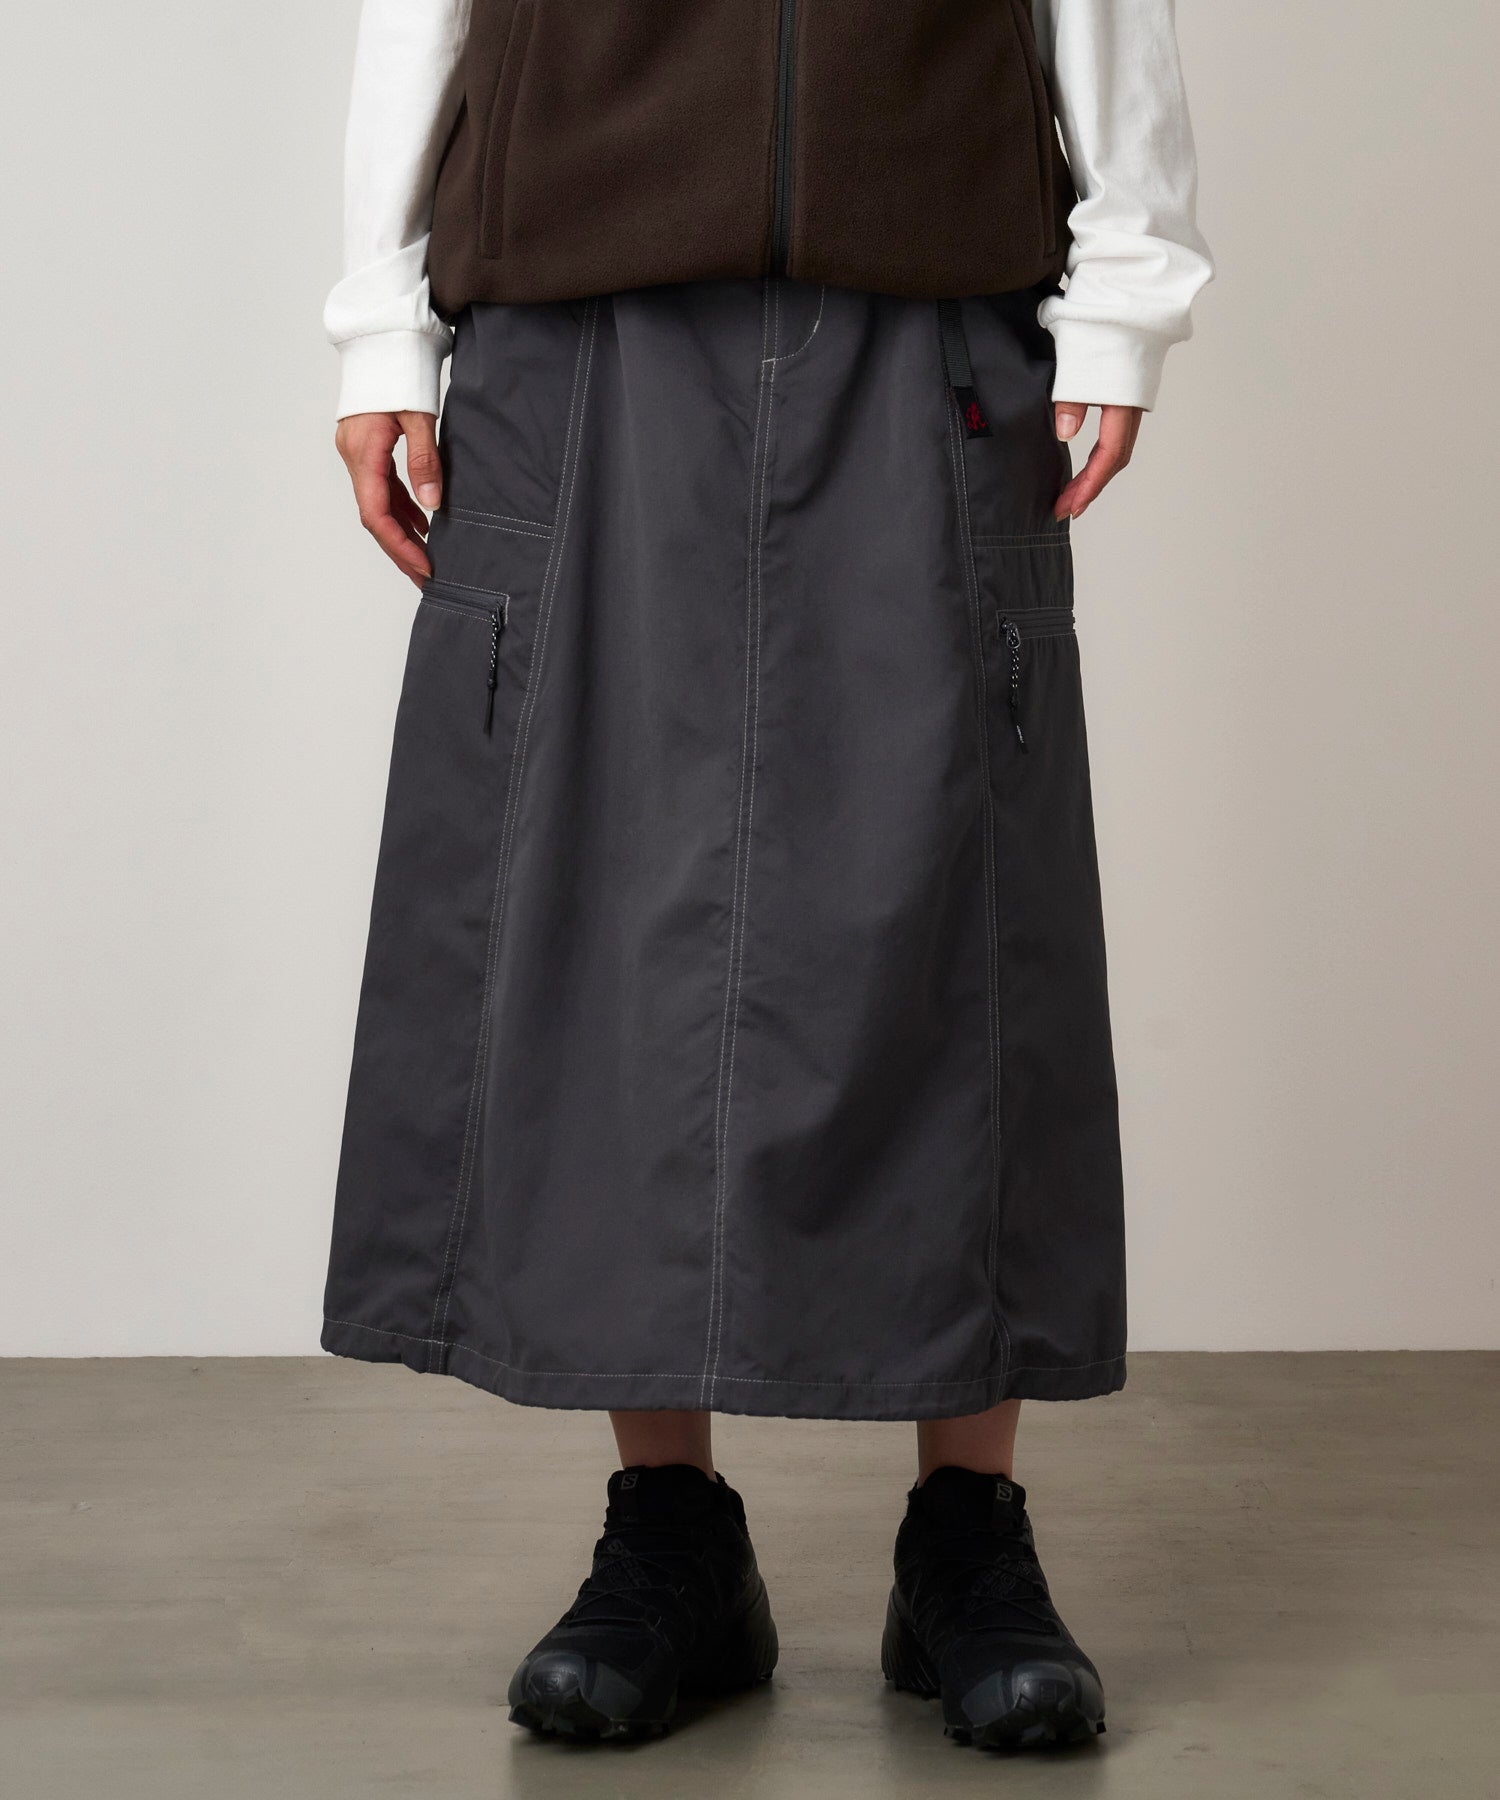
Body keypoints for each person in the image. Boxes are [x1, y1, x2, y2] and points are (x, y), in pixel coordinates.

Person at [322, 0, 1211, 1753]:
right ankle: (670, 1534)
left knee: (958, 901)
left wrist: (1127, 281)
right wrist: (380, 322)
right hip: (580, 292)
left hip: (932, 286)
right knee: (607, 911)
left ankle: (967, 1539)